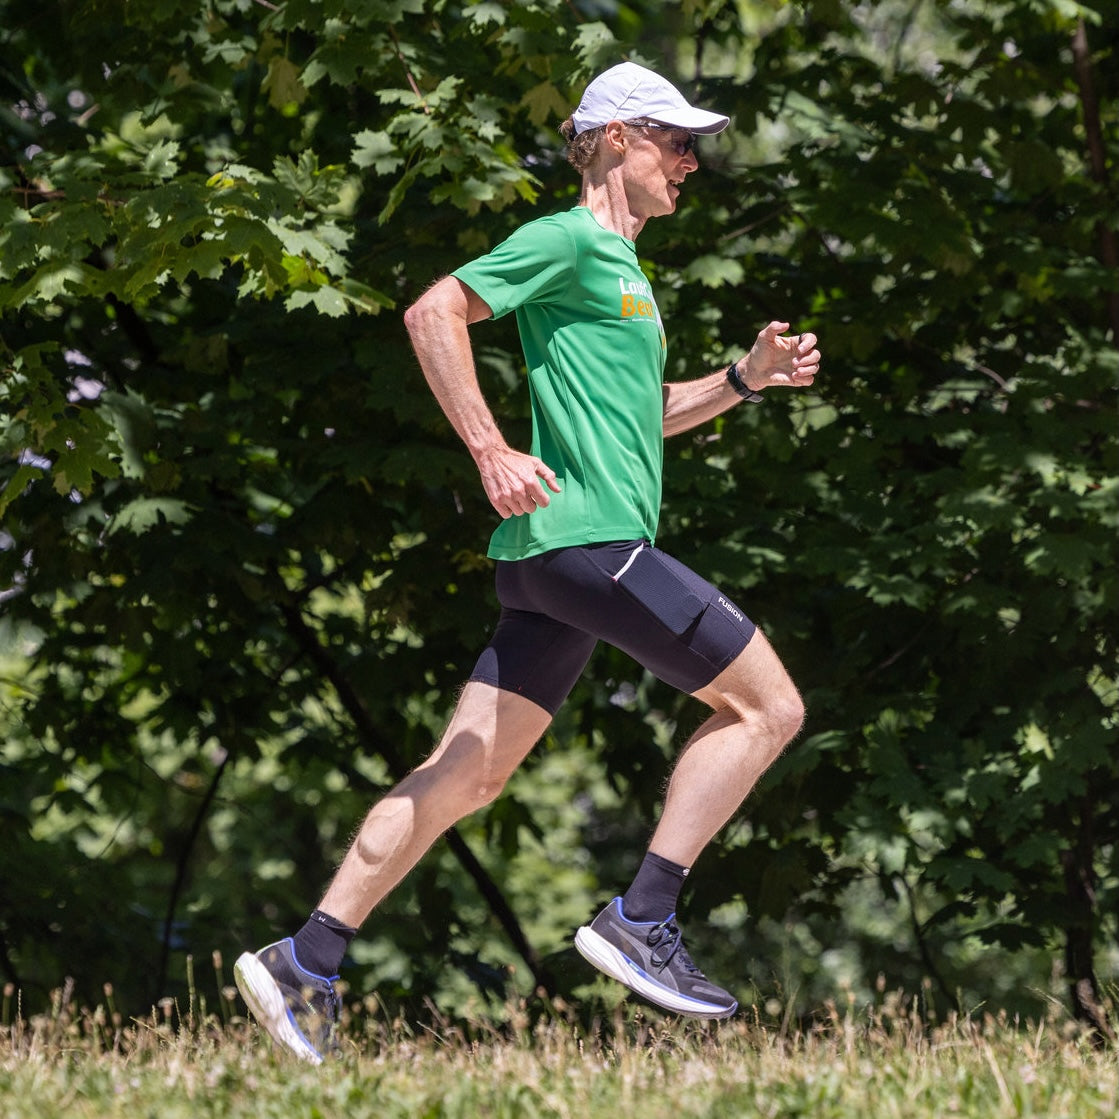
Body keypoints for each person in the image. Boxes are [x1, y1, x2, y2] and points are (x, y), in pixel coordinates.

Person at [234, 60, 820, 1064]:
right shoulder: (569, 240)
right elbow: (433, 313)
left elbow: (647, 417)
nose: (690, 161)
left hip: (553, 565)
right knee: (769, 708)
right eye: (675, 141)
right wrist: (490, 449)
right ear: (619, 138)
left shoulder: (627, 273)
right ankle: (644, 915)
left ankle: (306, 956)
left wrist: (741, 379)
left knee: (466, 773)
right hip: (590, 541)